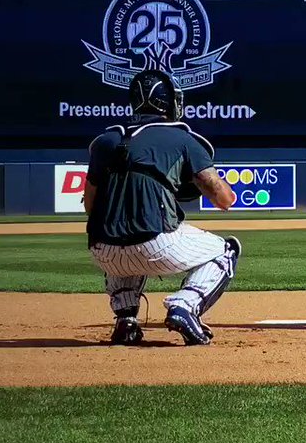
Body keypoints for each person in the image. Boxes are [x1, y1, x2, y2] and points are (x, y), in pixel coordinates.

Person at [83, 69, 241, 347]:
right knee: (226, 250)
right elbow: (224, 200)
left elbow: (90, 205)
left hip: (102, 251)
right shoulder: (182, 139)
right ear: (170, 102)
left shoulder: (105, 141)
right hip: (157, 245)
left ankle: (125, 320)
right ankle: (185, 305)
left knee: (121, 236)